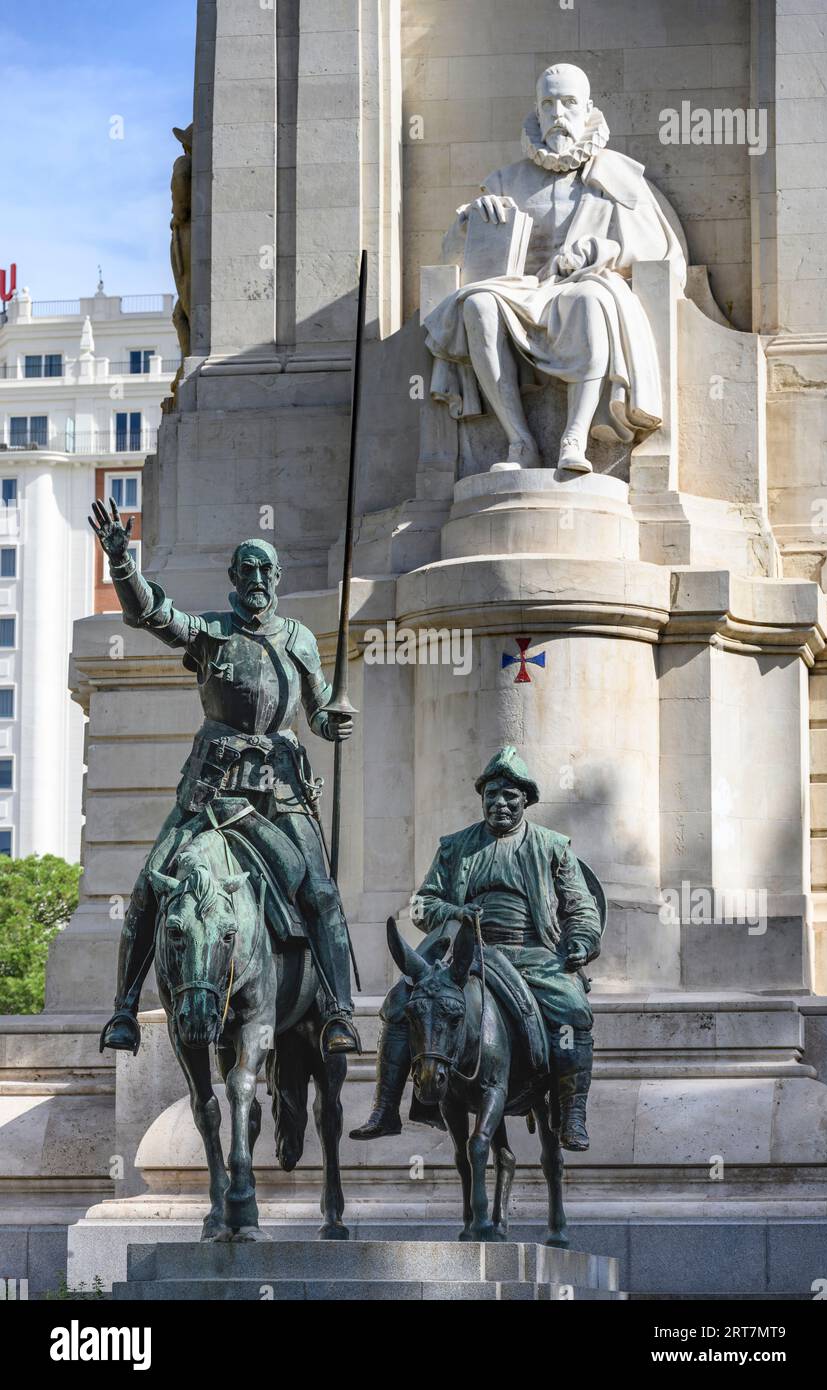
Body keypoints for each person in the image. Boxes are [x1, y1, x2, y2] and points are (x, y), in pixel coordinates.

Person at [89, 498, 359, 1057]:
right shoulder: (211, 632)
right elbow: (153, 616)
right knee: (148, 885)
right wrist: (123, 563)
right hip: (212, 790)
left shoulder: (301, 639)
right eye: (247, 569)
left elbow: (316, 712)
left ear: (277, 578)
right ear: (234, 578)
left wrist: (332, 721)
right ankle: (123, 1010)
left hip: (280, 792)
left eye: (266, 569)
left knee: (323, 894)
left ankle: (338, 1011)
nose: (257, 578)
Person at [424, 62, 686, 473]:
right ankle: (519, 442)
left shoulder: (615, 174)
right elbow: (450, 256)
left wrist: (603, 250)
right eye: (549, 104)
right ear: (537, 111)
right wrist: (470, 219)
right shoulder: (506, 180)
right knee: (477, 305)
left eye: (568, 103)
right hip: (523, 290)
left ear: (588, 108)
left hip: (583, 284)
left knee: (592, 298)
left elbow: (657, 251)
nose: (559, 114)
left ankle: (574, 438)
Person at [351, 746, 602, 1149]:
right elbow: (421, 904)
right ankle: (385, 1108)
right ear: (482, 799)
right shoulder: (455, 847)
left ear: (525, 801)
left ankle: (571, 1112)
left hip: (531, 953)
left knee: (573, 1012)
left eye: (510, 796)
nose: (500, 804)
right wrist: (456, 911)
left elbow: (581, 906)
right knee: (400, 1003)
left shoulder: (553, 846)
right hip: (465, 954)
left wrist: (581, 941)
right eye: (492, 795)